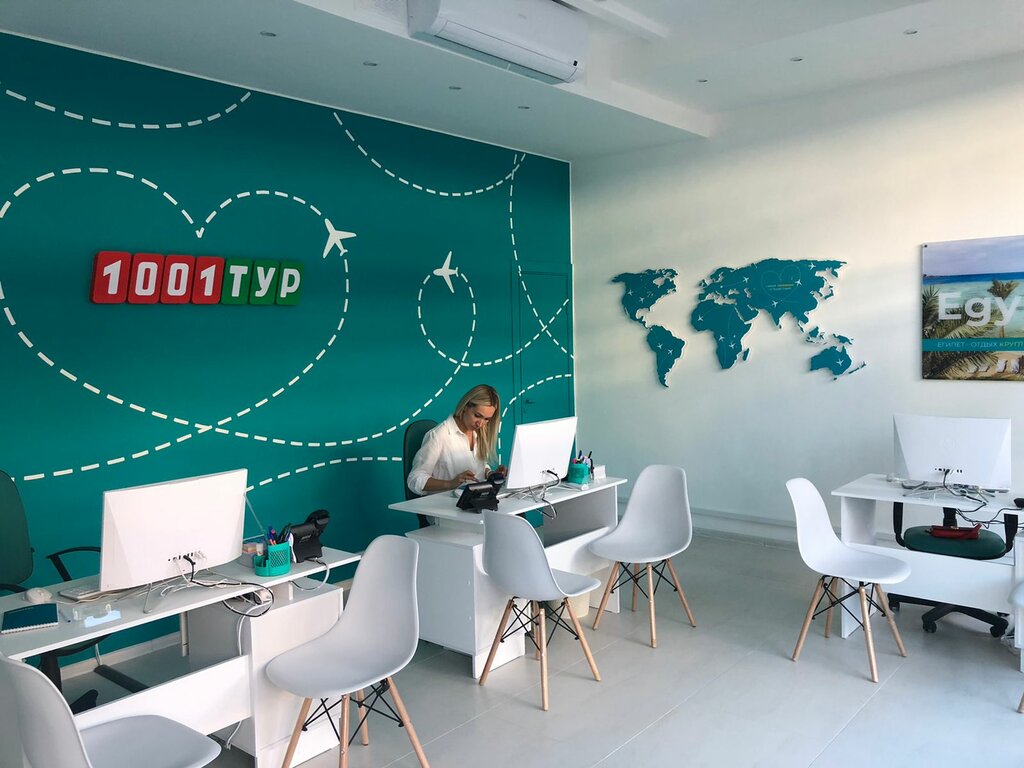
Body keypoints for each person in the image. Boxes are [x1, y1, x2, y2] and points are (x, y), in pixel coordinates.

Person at [407, 384, 506, 495]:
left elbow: (477, 468)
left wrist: (490, 474)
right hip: (445, 503)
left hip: (474, 498)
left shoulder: (478, 433)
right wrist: (450, 484)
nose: (480, 424)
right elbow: (414, 480)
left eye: (487, 419)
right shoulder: (439, 435)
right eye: (477, 415)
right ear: (465, 406)